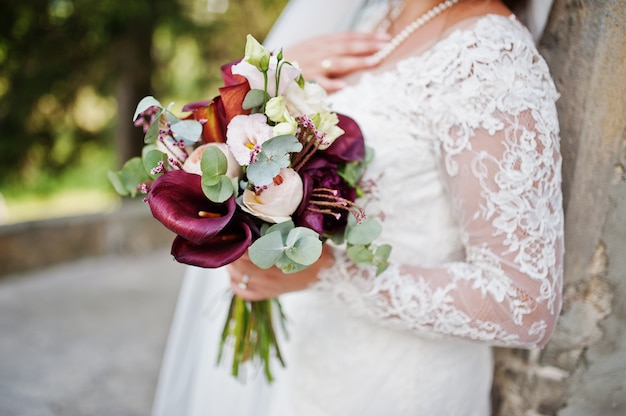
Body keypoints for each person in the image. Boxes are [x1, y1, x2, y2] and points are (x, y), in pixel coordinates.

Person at [151, 0, 562, 414]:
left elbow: (525, 305)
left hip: (404, 386)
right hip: (312, 363)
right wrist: (281, 81)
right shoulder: (374, 16)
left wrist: (329, 272)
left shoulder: (491, 56)